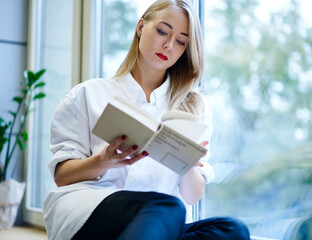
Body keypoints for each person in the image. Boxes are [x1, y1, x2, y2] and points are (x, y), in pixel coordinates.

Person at [43, 0, 250, 239]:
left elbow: (192, 196)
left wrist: (188, 163)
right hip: (93, 210)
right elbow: (62, 176)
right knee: (166, 207)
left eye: (181, 41)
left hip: (161, 224)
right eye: (162, 31)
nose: (168, 45)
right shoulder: (89, 94)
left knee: (232, 230)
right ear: (141, 27)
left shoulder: (194, 107)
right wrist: (104, 160)